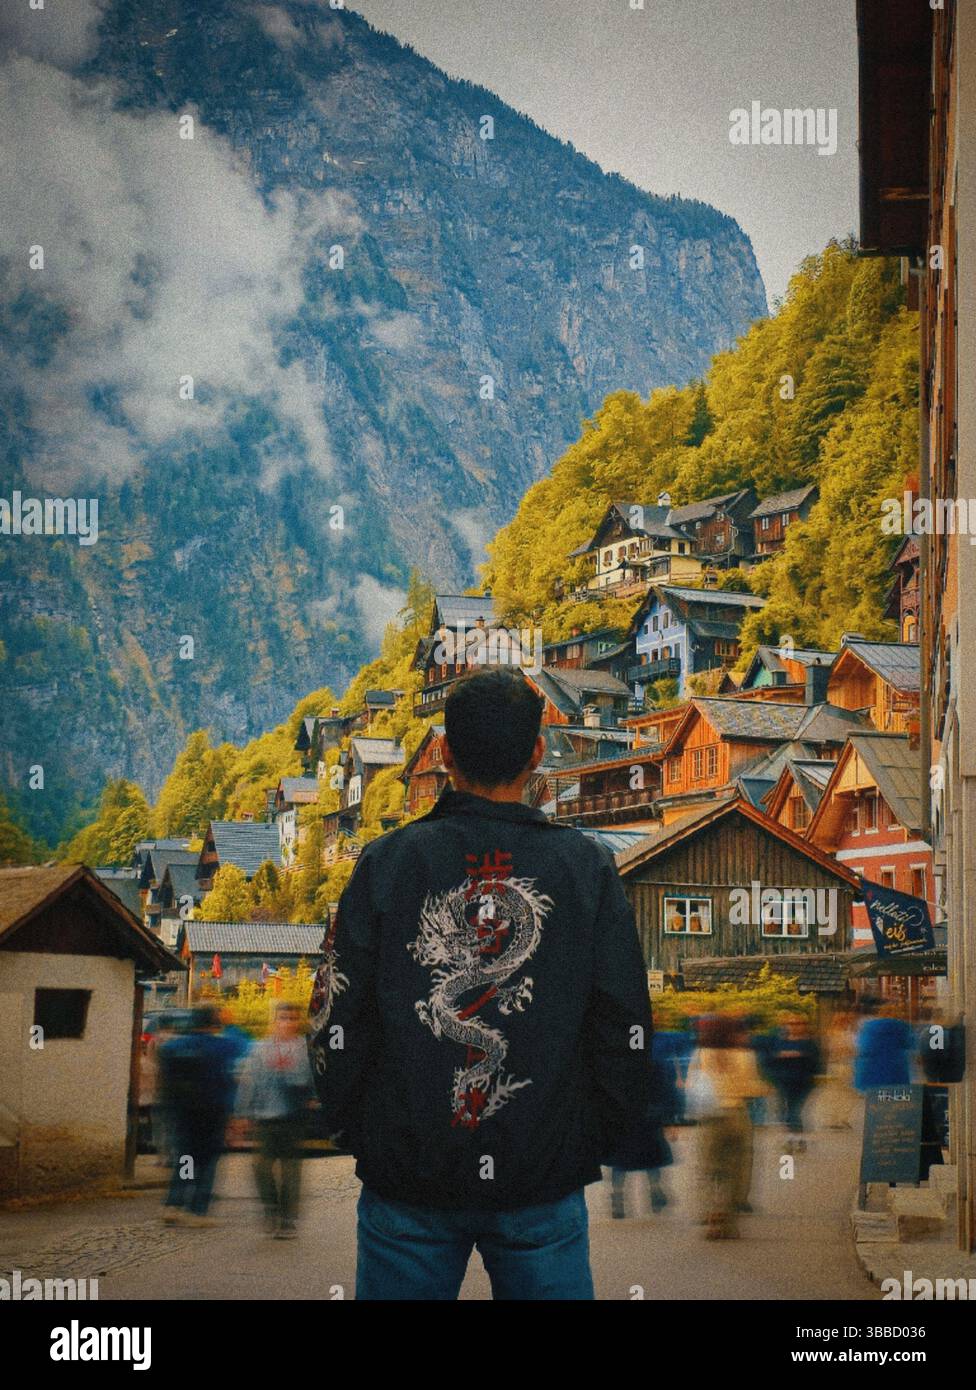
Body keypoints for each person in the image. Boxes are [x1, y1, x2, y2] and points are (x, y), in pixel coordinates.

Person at [308, 668, 654, 1301]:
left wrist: (361, 1130)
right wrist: (584, 1139)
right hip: (541, 1180)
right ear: (538, 753)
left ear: (443, 754)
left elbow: (335, 1016)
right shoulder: (585, 867)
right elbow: (624, 1022)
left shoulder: (386, 862)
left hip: (407, 1179)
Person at [236, 1001, 315, 1239]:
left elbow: (315, 1080)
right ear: (275, 1020)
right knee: (260, 1167)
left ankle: (288, 1220)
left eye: (292, 1019)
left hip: (294, 1117)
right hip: (265, 1116)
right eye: (283, 1018)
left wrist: (313, 1097)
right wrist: (241, 1113)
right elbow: (249, 1081)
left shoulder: (305, 1049)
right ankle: (270, 1207)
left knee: (291, 1170)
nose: (287, 1023)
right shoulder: (259, 1048)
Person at [684, 1015, 767, 1240]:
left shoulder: (701, 1054)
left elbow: (691, 1084)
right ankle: (728, 1221)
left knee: (707, 1168)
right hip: (737, 1116)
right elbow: (752, 1087)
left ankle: (712, 1210)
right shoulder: (745, 1056)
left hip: (710, 1118)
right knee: (735, 1170)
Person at [158, 1005, 239, 1227]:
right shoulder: (223, 1047)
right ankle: (197, 1210)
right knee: (208, 1161)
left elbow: (165, 1079)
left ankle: (174, 1203)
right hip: (213, 1111)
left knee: (186, 1157)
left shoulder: (172, 1048)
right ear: (214, 1024)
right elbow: (231, 1075)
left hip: (182, 1111)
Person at [765, 1013, 822, 1153]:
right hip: (783, 1081)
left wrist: (801, 1056)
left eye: (798, 1024)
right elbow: (769, 1060)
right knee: (782, 1112)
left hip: (803, 1082)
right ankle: (797, 1139)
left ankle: (793, 1141)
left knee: (794, 1112)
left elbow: (817, 1064)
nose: (794, 1027)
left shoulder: (810, 1043)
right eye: (790, 1024)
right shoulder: (780, 1041)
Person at [852, 999, 915, 1092]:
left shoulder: (869, 1026)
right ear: (898, 1014)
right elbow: (911, 1045)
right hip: (896, 1073)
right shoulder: (902, 1028)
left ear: (881, 1013)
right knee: (894, 1102)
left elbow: (863, 1047)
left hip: (870, 1073)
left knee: (873, 1103)